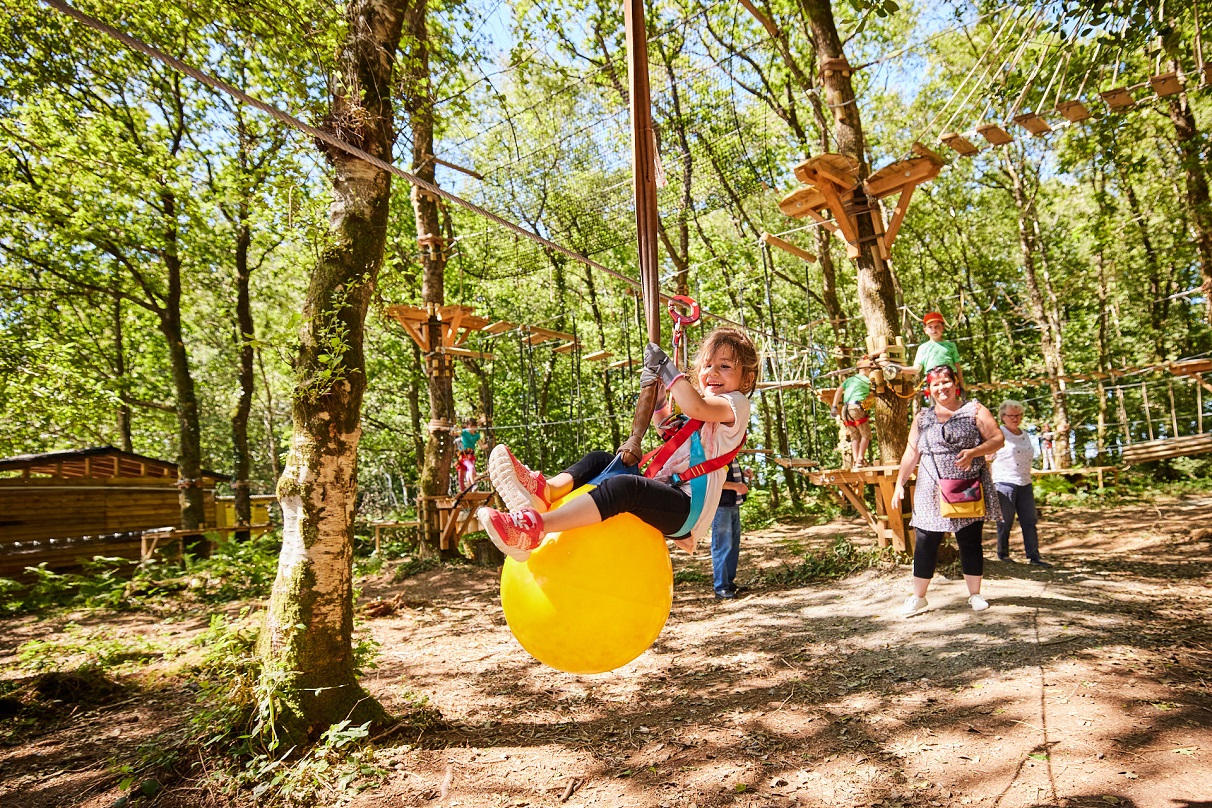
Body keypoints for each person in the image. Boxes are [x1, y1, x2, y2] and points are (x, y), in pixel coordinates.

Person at [477, 327, 757, 562]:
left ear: (746, 378)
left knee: (624, 488)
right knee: (601, 459)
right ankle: (545, 490)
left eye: (725, 366)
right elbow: (666, 430)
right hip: (668, 494)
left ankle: (535, 530)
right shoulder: (705, 415)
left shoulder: (736, 404)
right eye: (707, 365)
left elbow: (695, 406)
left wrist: (667, 370)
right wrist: (659, 398)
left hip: (686, 509)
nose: (713, 373)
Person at [890, 365, 1003, 615]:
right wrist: (900, 483)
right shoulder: (922, 418)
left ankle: (975, 594)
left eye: (946, 382)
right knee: (925, 541)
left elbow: (997, 439)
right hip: (930, 488)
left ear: (955, 383)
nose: (941, 387)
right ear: (928, 389)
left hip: (966, 485)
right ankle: (918, 597)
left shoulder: (974, 410)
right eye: (935, 384)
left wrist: (974, 452)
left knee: (969, 540)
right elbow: (911, 452)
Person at [990, 400, 1050, 567]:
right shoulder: (998, 434)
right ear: (1003, 417)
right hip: (1004, 481)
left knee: (1029, 520)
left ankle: (1034, 556)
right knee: (1005, 520)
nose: (1015, 419)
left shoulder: (1025, 434)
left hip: (1025, 481)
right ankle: (1003, 553)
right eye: (1011, 416)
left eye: (1018, 415)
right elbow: (988, 456)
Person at [710, 458, 749, 600]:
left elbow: (729, 475)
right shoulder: (718, 454)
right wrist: (736, 486)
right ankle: (720, 588)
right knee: (722, 546)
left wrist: (743, 475)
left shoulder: (731, 455)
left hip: (734, 506)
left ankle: (729, 582)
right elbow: (712, 481)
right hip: (721, 507)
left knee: (733, 546)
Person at [831, 357, 875, 469]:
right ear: (865, 369)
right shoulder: (867, 380)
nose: (870, 371)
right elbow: (875, 393)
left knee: (855, 436)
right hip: (855, 407)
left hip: (845, 410)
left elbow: (839, 391)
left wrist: (834, 406)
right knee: (866, 434)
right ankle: (860, 458)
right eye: (870, 369)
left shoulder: (849, 380)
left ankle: (856, 461)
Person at [907, 312, 964, 392]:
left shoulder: (951, 345)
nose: (934, 330)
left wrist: (962, 386)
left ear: (942, 328)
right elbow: (916, 369)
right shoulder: (923, 348)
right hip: (933, 382)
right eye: (930, 327)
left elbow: (957, 367)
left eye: (937, 326)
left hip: (950, 381)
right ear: (925, 330)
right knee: (935, 402)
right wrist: (900, 369)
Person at [455, 417, 481, 490]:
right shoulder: (464, 432)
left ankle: (470, 487)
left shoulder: (476, 436)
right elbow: (457, 432)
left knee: (471, 471)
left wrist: (489, 443)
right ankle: (473, 485)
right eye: (470, 426)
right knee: (471, 467)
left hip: (471, 455)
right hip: (464, 455)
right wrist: (455, 428)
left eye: (473, 426)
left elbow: (482, 446)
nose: (472, 428)